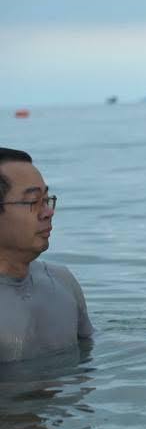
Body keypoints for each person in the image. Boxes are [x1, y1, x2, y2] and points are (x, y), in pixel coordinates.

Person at [0, 148, 93, 362]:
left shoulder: (62, 281)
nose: (48, 212)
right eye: (33, 201)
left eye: (47, 199)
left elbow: (90, 351)